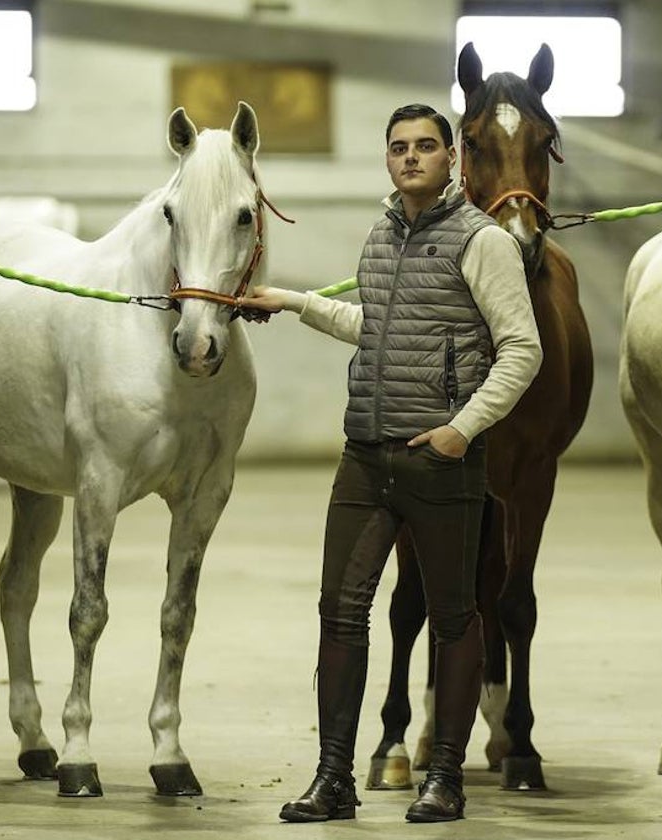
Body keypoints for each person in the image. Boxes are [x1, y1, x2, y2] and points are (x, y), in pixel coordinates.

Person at [238, 103, 542, 823]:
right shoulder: (381, 236)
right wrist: (293, 302)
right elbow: (373, 327)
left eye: (426, 147)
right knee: (339, 613)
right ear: (388, 159)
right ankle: (334, 779)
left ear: (451, 160)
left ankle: (445, 778)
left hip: (440, 464)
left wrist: (462, 430)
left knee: (451, 618)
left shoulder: (482, 241)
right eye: (399, 147)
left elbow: (522, 349)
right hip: (366, 458)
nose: (411, 157)